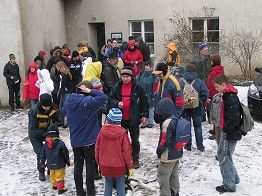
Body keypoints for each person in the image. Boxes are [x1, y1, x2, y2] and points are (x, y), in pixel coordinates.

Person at [62, 80, 107, 196]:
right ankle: (91, 192)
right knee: (90, 166)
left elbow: (63, 112)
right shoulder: (88, 101)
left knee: (78, 166)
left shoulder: (68, 101)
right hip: (89, 140)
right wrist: (91, 91)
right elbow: (103, 97)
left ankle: (79, 192)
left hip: (75, 140)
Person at [108, 66, 149, 169]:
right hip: (121, 119)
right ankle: (124, 158)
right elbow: (111, 98)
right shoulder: (117, 86)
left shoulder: (137, 86)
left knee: (135, 140)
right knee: (122, 140)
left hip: (134, 118)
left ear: (131, 77)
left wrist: (144, 115)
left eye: (127, 77)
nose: (125, 79)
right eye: (123, 76)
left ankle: (135, 159)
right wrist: (117, 103)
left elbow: (144, 101)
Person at [213, 74, 242, 193]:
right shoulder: (228, 96)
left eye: (217, 86)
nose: (216, 89)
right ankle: (234, 178)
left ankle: (229, 185)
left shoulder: (230, 98)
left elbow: (233, 119)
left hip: (230, 133)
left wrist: (225, 129)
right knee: (227, 156)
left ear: (224, 85)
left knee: (223, 157)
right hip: (231, 131)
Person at [95, 108, 133, 196]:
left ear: (108, 119)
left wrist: (99, 163)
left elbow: (97, 150)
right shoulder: (123, 135)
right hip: (119, 167)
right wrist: (130, 166)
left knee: (108, 185)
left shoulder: (101, 133)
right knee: (120, 187)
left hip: (105, 166)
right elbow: (127, 153)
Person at [154, 98, 184, 196]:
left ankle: (166, 194)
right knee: (173, 174)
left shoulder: (167, 123)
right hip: (177, 153)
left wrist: (159, 151)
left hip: (168, 155)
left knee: (163, 176)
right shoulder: (177, 118)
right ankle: (175, 192)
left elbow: (164, 140)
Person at [28, 93, 60, 181]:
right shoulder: (34, 111)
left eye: (48, 106)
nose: (47, 108)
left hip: (48, 132)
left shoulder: (53, 107)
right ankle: (41, 171)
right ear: (41, 104)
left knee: (52, 150)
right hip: (35, 135)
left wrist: (54, 129)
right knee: (41, 153)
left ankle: (51, 168)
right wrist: (47, 134)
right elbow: (33, 129)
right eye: (45, 106)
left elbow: (57, 120)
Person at [180, 64, 209, 151]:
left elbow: (177, 93)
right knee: (198, 127)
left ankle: (188, 145)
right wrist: (200, 101)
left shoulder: (181, 81)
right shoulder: (199, 81)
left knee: (187, 127)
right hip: (197, 107)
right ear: (194, 71)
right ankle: (200, 146)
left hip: (185, 107)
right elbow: (205, 93)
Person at [40, 124, 70, 194]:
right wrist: (67, 160)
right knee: (60, 176)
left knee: (52, 175)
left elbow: (43, 155)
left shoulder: (45, 144)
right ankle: (60, 189)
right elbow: (65, 153)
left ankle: (54, 185)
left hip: (50, 164)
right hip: (59, 164)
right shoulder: (60, 143)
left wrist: (42, 162)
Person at [207, 54, 224, 138]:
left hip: (214, 94)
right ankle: (214, 129)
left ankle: (216, 133)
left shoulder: (213, 72)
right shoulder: (220, 69)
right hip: (219, 93)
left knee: (215, 113)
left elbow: (210, 84)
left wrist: (209, 96)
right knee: (218, 112)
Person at [136, 61, 158, 128]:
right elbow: (137, 82)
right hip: (142, 94)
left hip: (150, 94)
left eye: (148, 66)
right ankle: (144, 122)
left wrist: (154, 94)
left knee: (150, 108)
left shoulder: (153, 75)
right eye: (146, 65)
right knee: (143, 108)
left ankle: (150, 121)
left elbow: (155, 85)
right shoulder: (141, 74)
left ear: (151, 68)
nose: (146, 67)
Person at [56, 61, 74, 127]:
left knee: (64, 108)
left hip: (65, 93)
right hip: (68, 92)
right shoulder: (67, 72)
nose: (56, 68)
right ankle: (64, 122)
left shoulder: (63, 74)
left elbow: (62, 85)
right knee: (64, 107)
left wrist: (59, 93)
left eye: (57, 66)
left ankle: (64, 122)